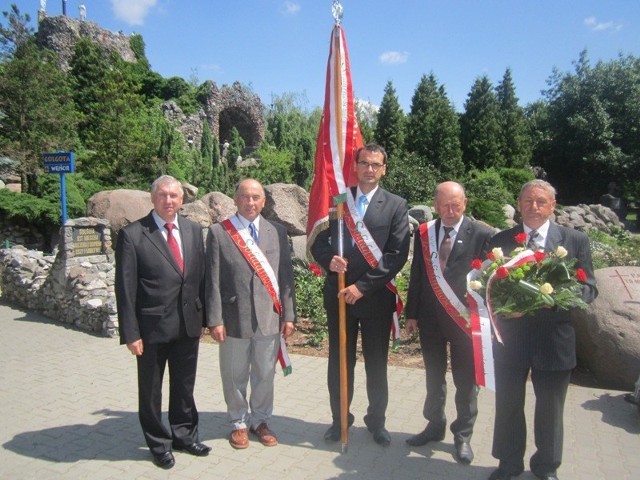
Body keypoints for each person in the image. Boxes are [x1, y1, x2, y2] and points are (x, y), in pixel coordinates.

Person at [487, 180, 598, 480]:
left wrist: (555, 300)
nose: (533, 207)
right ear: (519, 204)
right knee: (508, 405)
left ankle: (546, 467)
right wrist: (507, 305)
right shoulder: (501, 241)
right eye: (527, 201)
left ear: (552, 206)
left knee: (550, 411)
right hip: (511, 340)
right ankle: (508, 464)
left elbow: (589, 288)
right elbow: (489, 289)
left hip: (554, 341)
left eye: (540, 202)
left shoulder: (574, 240)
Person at [310, 143, 410, 446]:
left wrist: (361, 287)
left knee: (376, 365)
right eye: (364, 163)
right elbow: (319, 242)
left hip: (375, 298)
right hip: (340, 297)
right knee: (339, 363)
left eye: (376, 165)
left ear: (384, 169)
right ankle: (339, 420)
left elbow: (397, 254)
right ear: (355, 166)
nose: (369, 169)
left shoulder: (396, 205)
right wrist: (329, 259)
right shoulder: (340, 200)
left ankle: (376, 422)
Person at [115, 175, 210, 469]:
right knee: (152, 390)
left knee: (184, 385)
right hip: (151, 328)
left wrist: (204, 318)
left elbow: (200, 278)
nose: (168, 201)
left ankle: (184, 435)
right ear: (152, 198)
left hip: (187, 326)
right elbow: (126, 288)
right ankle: (158, 443)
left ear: (182, 200)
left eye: (174, 196)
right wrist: (131, 333)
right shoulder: (133, 234)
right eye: (163, 195)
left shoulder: (194, 230)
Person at [405, 181, 493, 464]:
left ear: (465, 203)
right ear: (436, 205)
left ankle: (463, 434)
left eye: (456, 204)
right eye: (445, 205)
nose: (451, 210)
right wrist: (412, 314)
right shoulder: (425, 233)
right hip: (430, 320)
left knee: (465, 382)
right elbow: (417, 274)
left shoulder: (482, 234)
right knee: (434, 377)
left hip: (465, 321)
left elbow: (490, 281)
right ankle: (434, 425)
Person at [205, 178, 296, 450]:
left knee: (265, 374)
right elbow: (212, 281)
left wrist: (289, 315)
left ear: (264, 201)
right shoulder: (220, 233)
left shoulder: (277, 232)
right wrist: (215, 319)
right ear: (235, 199)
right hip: (234, 317)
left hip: (269, 317)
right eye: (245, 197)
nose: (251, 202)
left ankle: (260, 421)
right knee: (234, 375)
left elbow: (285, 275)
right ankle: (238, 423)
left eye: (256, 197)